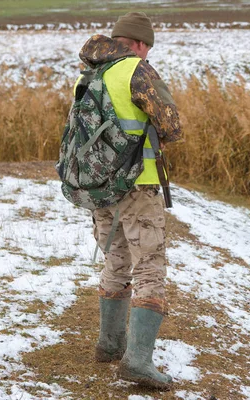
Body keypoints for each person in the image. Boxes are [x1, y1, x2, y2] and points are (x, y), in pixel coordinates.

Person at [75, 12, 182, 390]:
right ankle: (137, 360)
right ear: (137, 43)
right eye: (148, 45)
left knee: (115, 259)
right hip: (139, 183)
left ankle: (110, 345)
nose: (148, 52)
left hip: (100, 186)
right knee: (150, 267)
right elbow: (171, 124)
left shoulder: (89, 73)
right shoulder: (137, 70)